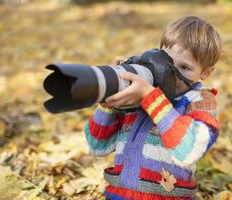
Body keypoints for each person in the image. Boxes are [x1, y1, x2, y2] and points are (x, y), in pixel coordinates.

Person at [84, 16, 222, 200]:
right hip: (118, 195)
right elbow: (97, 146)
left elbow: (190, 149)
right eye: (167, 61)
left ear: (205, 72)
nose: (171, 72)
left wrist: (151, 98)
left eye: (184, 67)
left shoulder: (200, 101)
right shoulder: (139, 93)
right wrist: (110, 98)